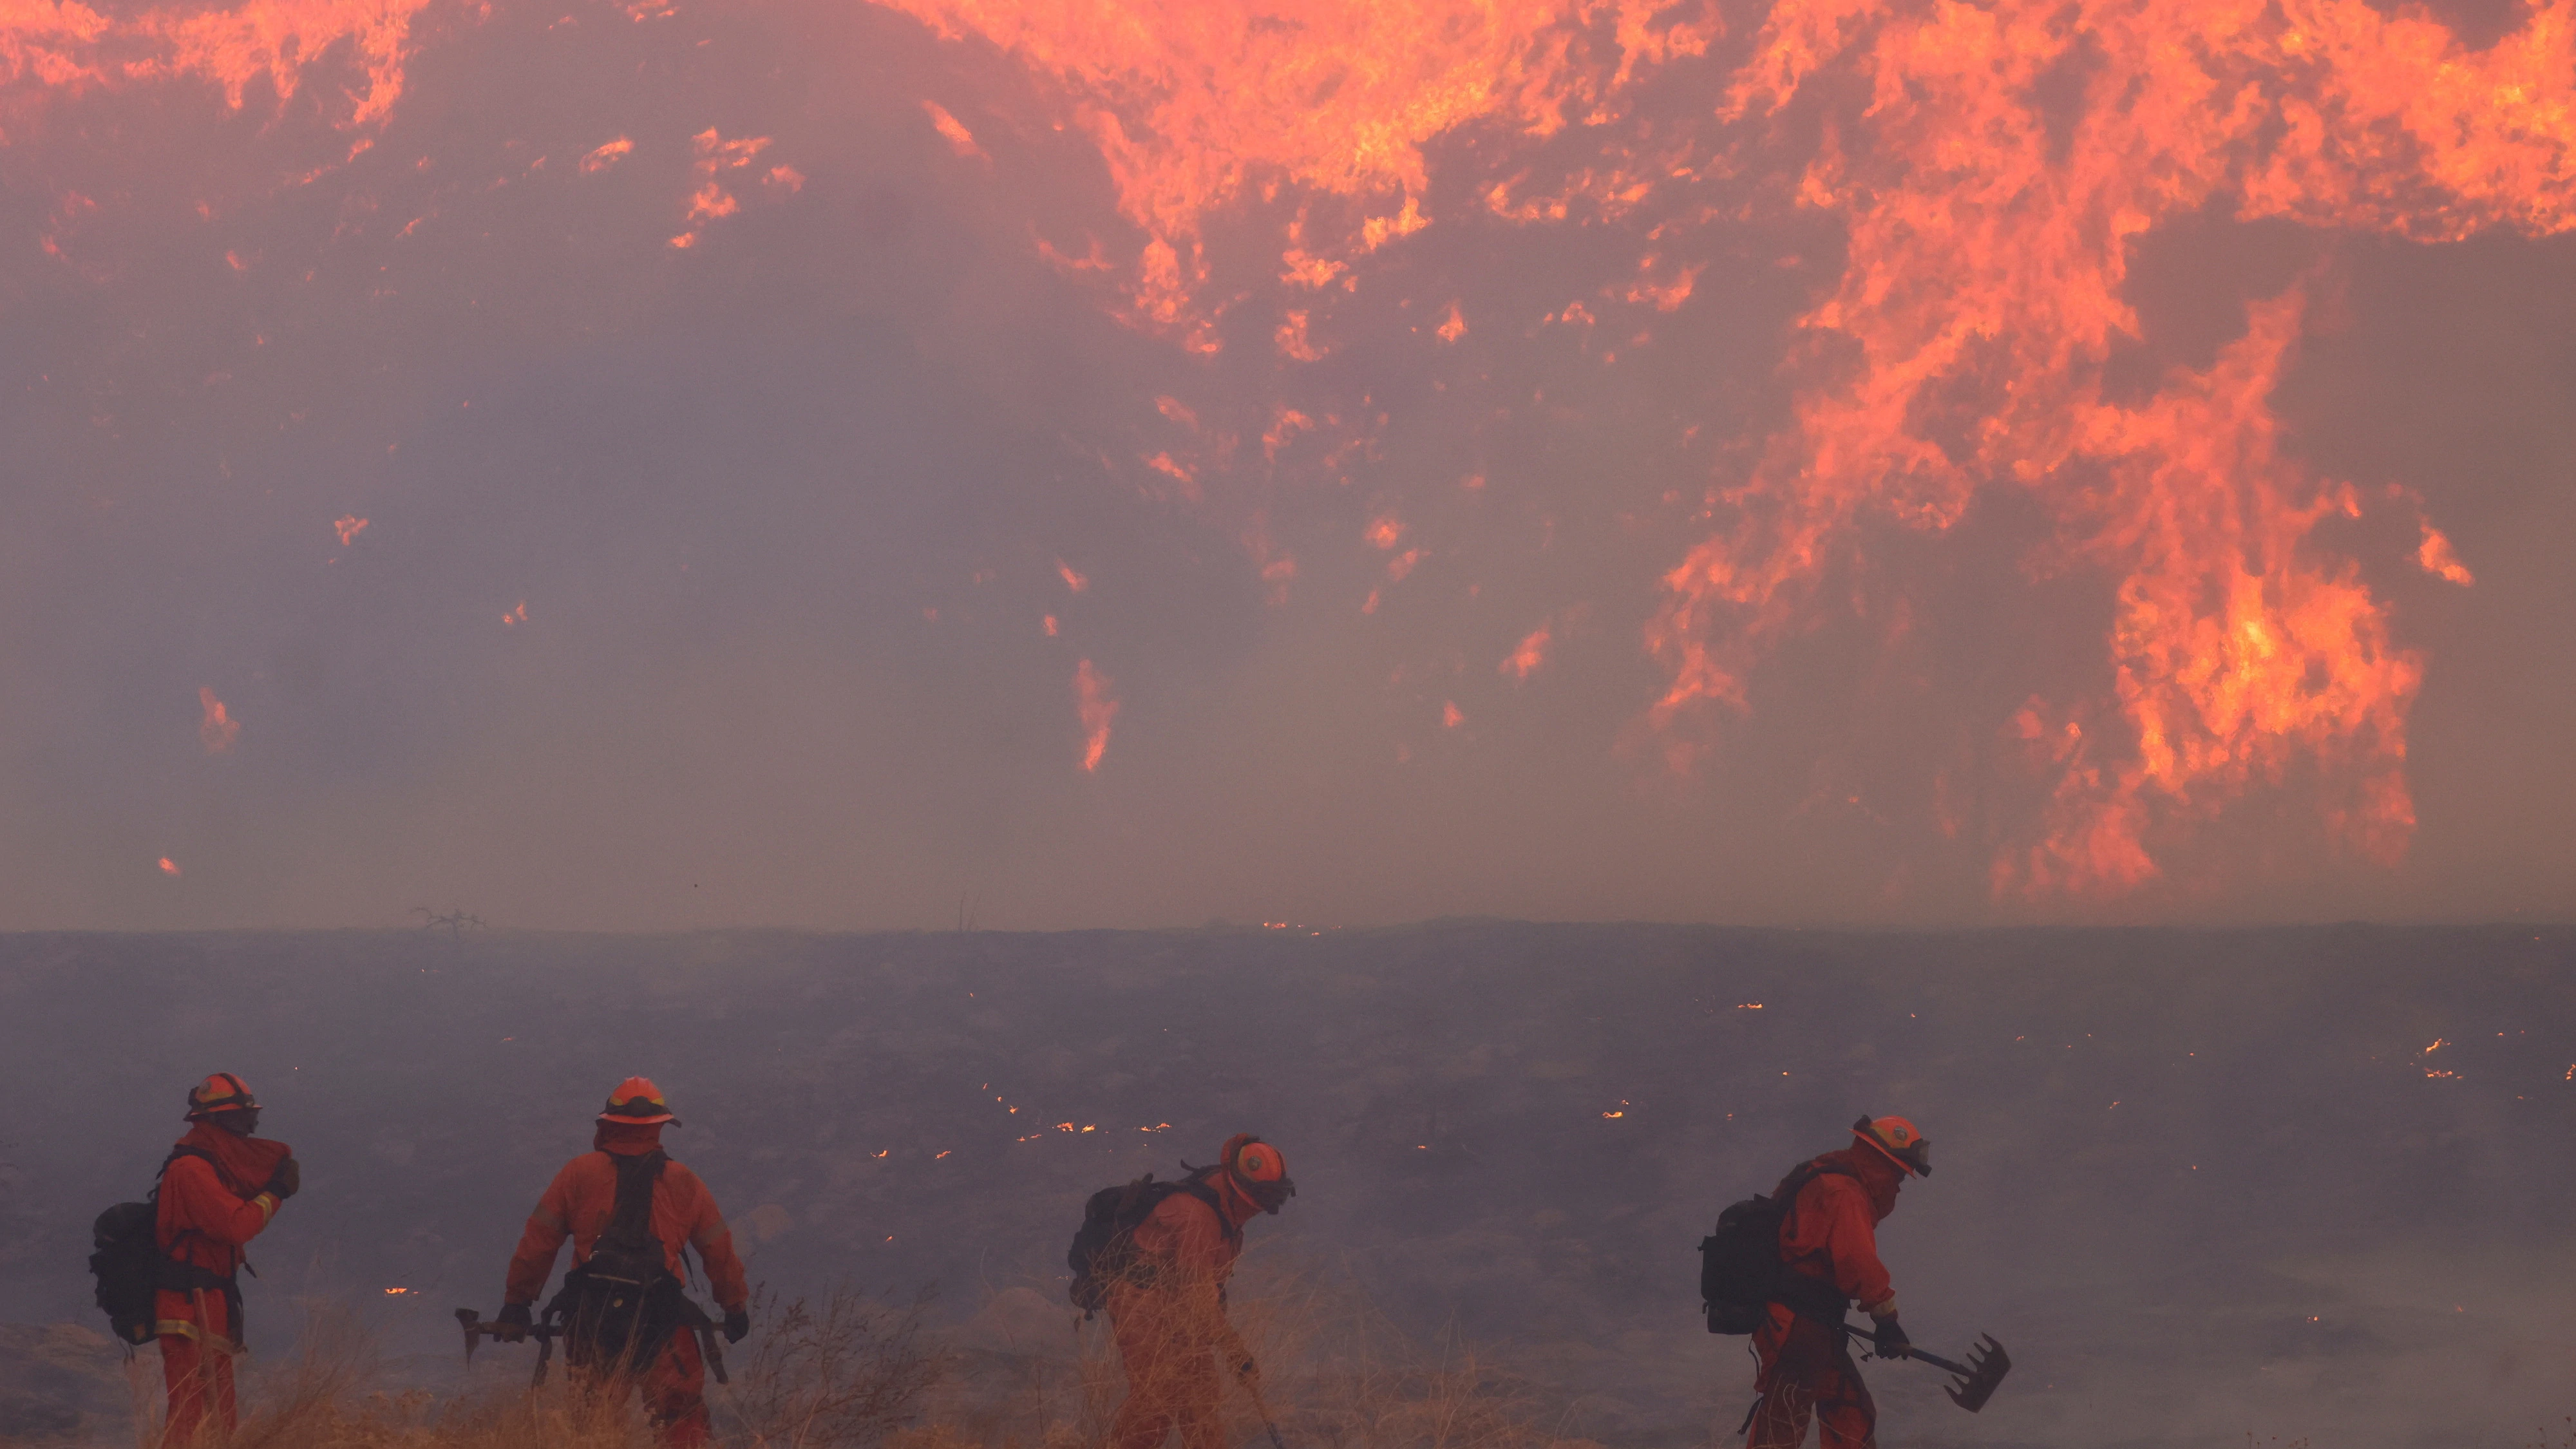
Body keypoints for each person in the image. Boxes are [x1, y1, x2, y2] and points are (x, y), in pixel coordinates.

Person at [497, 1077, 750, 1448]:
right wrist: (735, 1306)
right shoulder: (684, 1183)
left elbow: (538, 1244)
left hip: (592, 1323)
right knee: (681, 1421)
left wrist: (517, 1303)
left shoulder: (578, 1174)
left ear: (607, 1124)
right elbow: (718, 1251)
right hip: (665, 1324)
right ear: (661, 1126)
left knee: (595, 1428)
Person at [1745, 1115, 1931, 1449]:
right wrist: (1886, 1321)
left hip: (1812, 1322)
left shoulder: (1828, 1175)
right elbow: (1858, 1262)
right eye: (1900, 1174)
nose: (1900, 1184)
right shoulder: (1844, 1192)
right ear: (1883, 1163)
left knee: (1849, 1410)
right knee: (1784, 1419)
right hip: (1797, 1324)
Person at [1106, 1134, 1295, 1449]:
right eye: (1262, 1201)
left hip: (1180, 1310)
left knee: (1202, 1410)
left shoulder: (1225, 1210)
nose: (1264, 1210)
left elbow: (1202, 1292)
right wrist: (1235, 1351)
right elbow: (1195, 1295)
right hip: (1142, 1303)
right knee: (1153, 1410)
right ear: (1242, 1191)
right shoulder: (1198, 1217)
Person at [155, 1072, 299, 1446]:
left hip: (211, 1300)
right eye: (239, 1118)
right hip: (189, 1305)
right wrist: (277, 1193)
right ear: (214, 1120)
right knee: (190, 1417)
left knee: (220, 1417)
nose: (249, 1128)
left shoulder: (211, 1165)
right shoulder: (192, 1169)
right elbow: (234, 1227)